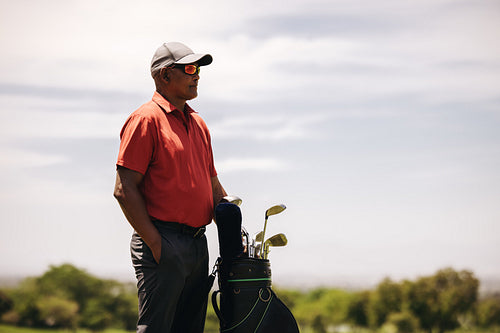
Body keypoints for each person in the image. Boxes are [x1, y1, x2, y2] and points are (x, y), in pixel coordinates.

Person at [113, 42, 228, 333]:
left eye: (198, 69)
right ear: (165, 76)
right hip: (163, 241)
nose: (197, 75)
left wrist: (232, 228)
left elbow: (211, 183)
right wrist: (156, 243)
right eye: (189, 69)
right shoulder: (145, 119)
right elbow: (124, 188)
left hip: (196, 244)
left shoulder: (198, 123)